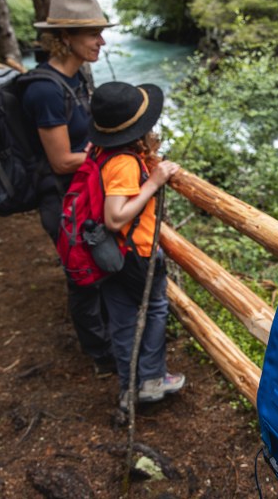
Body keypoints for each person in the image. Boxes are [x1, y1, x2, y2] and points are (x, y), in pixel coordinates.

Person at [23, 0, 115, 377]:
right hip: (61, 199)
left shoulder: (74, 77)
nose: (101, 41)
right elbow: (61, 159)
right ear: (66, 37)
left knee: (100, 270)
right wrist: (114, 154)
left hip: (81, 193)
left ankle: (111, 338)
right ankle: (99, 355)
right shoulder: (45, 90)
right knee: (83, 277)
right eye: (93, 33)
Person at [87, 81, 185, 411]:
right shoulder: (125, 163)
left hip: (111, 254)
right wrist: (155, 182)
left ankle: (128, 388)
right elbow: (115, 217)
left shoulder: (102, 153)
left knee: (123, 321)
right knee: (156, 309)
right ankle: (152, 379)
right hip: (136, 253)